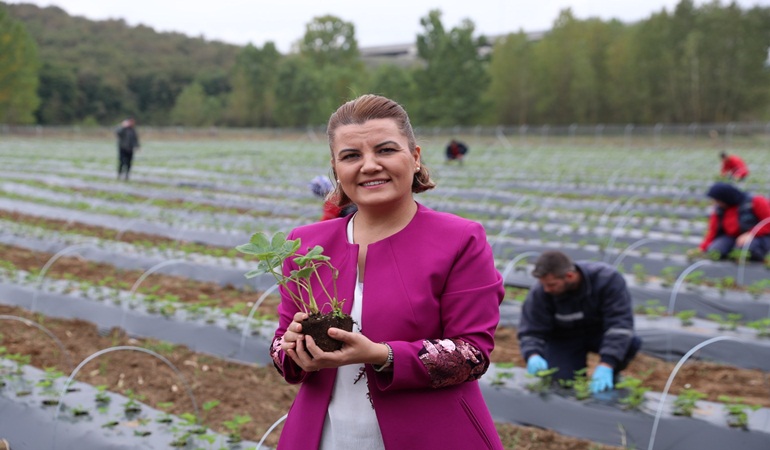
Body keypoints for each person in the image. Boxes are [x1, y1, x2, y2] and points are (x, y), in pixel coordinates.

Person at [270, 94, 505, 449]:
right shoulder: (304, 244)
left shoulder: (460, 239)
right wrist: (291, 349)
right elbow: (280, 344)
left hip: (432, 435)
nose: (369, 165)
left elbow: (472, 354)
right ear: (336, 168)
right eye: (351, 156)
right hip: (327, 436)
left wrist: (381, 354)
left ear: (415, 157)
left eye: (385, 150)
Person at [518, 250, 641, 393]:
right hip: (565, 338)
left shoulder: (607, 279)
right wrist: (533, 354)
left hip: (599, 333)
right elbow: (531, 330)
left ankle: (610, 375)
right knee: (563, 384)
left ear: (570, 276)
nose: (546, 289)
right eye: (543, 284)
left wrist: (607, 364)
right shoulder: (540, 292)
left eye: (552, 284)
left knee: (630, 342)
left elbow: (620, 324)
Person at [691, 182, 770, 262]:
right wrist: (700, 249)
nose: (716, 203)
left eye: (718, 200)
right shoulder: (719, 210)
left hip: (758, 237)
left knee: (745, 249)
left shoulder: (754, 202)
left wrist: (751, 233)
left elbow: (767, 222)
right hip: (732, 238)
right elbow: (713, 232)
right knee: (715, 251)